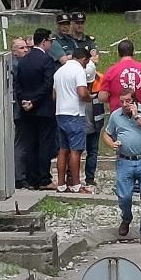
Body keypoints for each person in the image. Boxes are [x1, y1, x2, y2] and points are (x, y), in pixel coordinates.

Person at [103, 87, 141, 245]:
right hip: (124, 160)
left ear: (135, 101)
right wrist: (112, 143)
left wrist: (137, 118)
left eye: (128, 101)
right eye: (122, 102)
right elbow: (106, 133)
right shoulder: (116, 115)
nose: (125, 105)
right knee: (124, 196)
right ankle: (126, 218)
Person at [15, 29, 57, 189]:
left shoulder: (24, 61)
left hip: (27, 110)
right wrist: (34, 100)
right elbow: (48, 85)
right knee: (44, 145)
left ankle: (31, 179)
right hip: (43, 109)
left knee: (30, 144)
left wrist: (24, 101)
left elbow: (17, 84)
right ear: (44, 41)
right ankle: (43, 178)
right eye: (50, 41)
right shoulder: (46, 60)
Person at [53, 47, 93, 193]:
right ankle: (76, 184)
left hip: (60, 112)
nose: (86, 65)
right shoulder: (78, 71)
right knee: (76, 150)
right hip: (75, 113)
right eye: (86, 62)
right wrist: (89, 98)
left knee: (63, 150)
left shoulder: (59, 71)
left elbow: (54, 95)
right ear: (83, 59)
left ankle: (61, 184)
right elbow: (82, 93)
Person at [99, 40, 141, 112]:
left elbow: (102, 97)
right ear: (133, 52)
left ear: (118, 53)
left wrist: (114, 99)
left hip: (119, 114)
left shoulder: (111, 71)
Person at [82, 54, 106, 191]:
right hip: (94, 120)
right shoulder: (100, 78)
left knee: (85, 150)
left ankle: (75, 178)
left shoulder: (98, 79)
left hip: (92, 121)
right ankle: (89, 178)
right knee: (92, 151)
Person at [10, 37, 29, 189]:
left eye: (26, 47)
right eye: (22, 48)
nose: (26, 50)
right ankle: (19, 176)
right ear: (14, 51)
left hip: (15, 107)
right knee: (20, 142)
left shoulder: (14, 64)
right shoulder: (18, 66)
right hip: (18, 108)